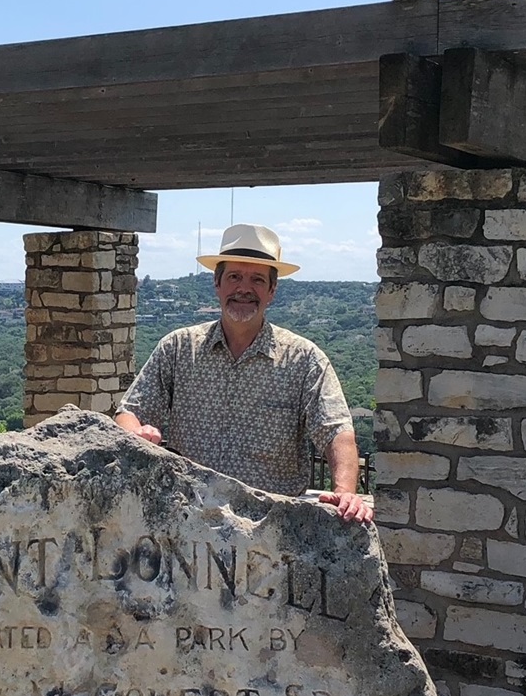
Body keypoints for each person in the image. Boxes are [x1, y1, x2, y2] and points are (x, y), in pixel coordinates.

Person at [115, 223, 372, 524]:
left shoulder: (304, 360)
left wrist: (345, 492)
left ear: (272, 290)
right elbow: (129, 412)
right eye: (235, 276)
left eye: (257, 279)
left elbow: (336, 431)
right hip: (188, 524)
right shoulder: (178, 348)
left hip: (271, 531)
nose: (244, 288)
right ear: (217, 283)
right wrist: (135, 434)